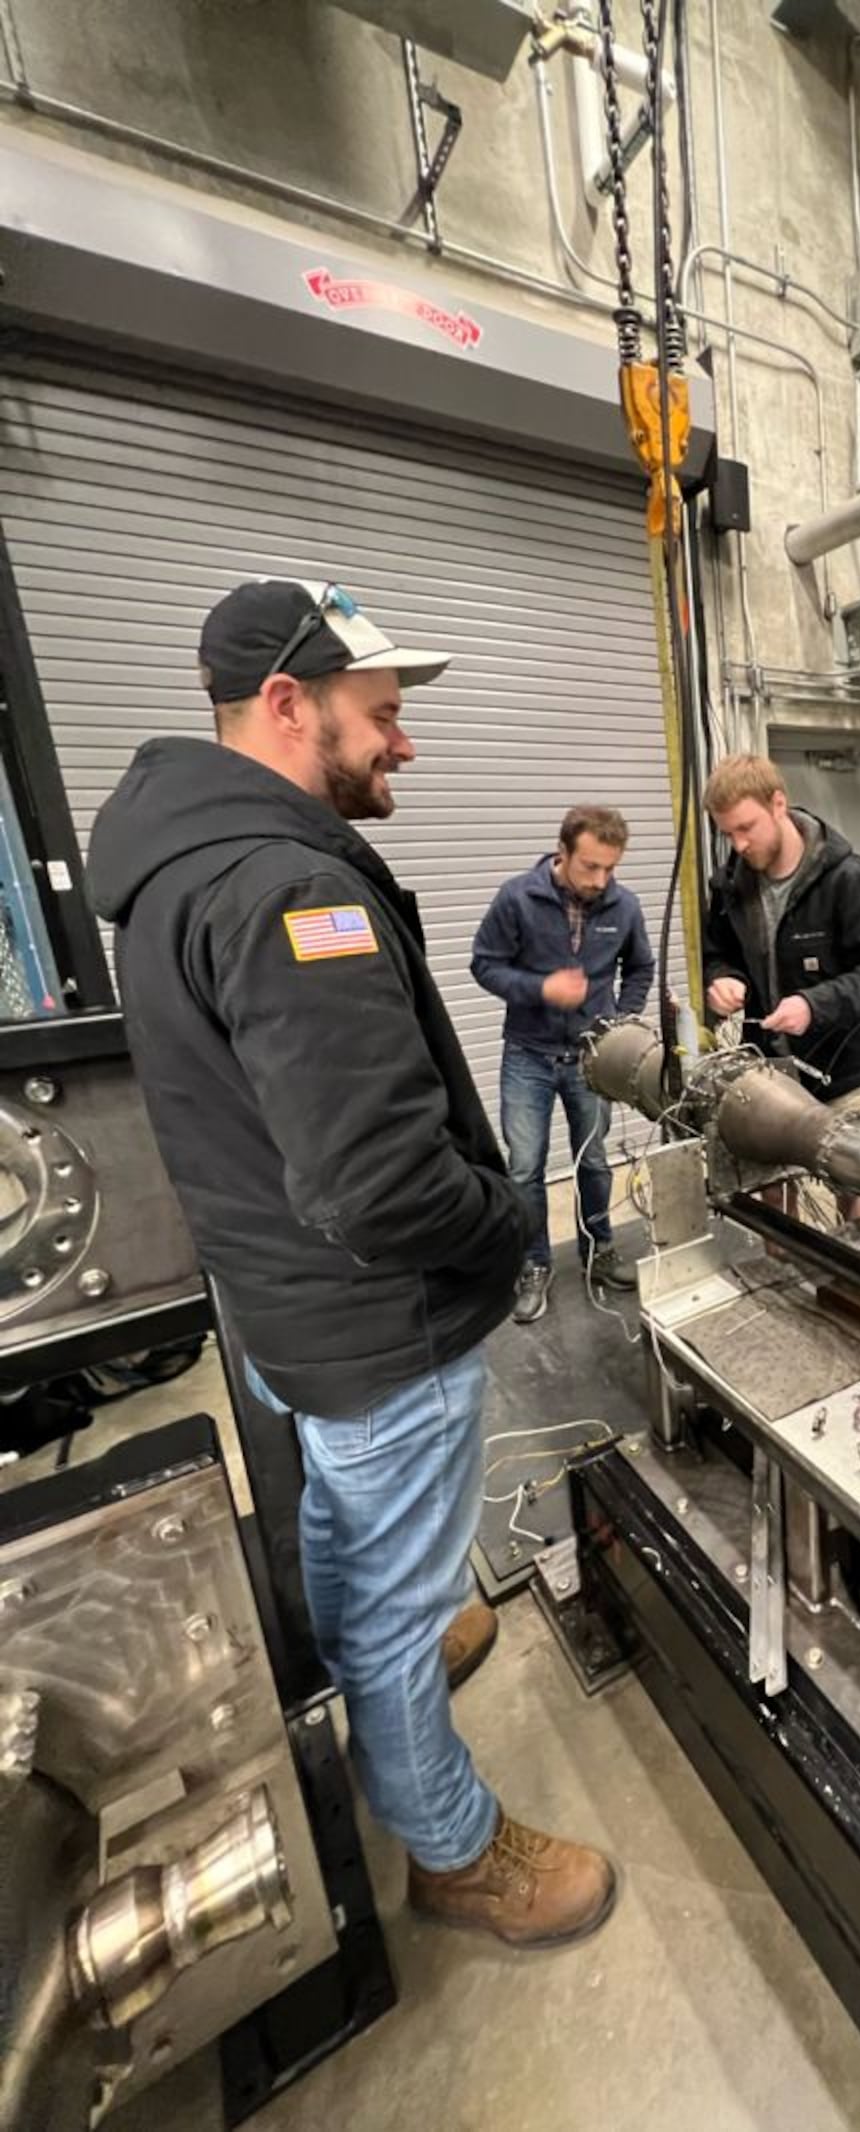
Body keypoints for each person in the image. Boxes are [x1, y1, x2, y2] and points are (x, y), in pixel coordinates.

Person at [88, 578, 616, 1950]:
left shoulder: (179, 865)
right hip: (380, 1327)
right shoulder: (284, 888)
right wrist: (511, 1219)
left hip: (293, 1315)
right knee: (385, 1582)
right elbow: (374, 1179)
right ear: (285, 705)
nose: (405, 743)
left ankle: (390, 1640)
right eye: (380, 716)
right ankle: (452, 1851)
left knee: (349, 1525)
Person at [702, 754, 860, 1213]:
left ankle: (854, 1271)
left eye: (745, 828)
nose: (737, 844)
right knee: (771, 1191)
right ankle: (781, 1275)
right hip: (767, 1069)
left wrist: (815, 1005)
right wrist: (722, 980)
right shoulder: (730, 888)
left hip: (841, 1069)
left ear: (778, 804)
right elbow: (717, 954)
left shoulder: (847, 878)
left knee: (853, 1187)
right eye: (727, 833)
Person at [470, 808, 655, 1323]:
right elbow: (484, 963)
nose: (600, 880)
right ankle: (534, 1265)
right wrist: (539, 989)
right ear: (563, 852)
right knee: (526, 1165)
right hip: (527, 1054)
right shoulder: (517, 899)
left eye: (609, 869)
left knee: (593, 1161)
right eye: (590, 867)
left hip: (592, 1060)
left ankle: (600, 1252)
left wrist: (620, 1021)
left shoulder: (624, 904)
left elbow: (640, 966)